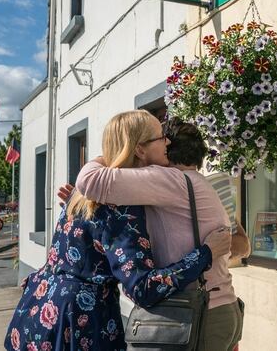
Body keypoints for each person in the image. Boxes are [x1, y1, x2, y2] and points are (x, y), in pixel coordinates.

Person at [5, 110, 231, 351]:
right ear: (140, 149)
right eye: (160, 136)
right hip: (80, 324)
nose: (167, 141)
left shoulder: (81, 196)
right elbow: (143, 288)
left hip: (39, 312)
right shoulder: (121, 206)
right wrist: (205, 254)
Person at [75, 118, 248, 351]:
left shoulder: (170, 180)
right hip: (223, 306)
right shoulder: (200, 184)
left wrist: (116, 152)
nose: (163, 143)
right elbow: (240, 244)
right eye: (159, 139)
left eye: (163, 140)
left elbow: (90, 180)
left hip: (197, 313)